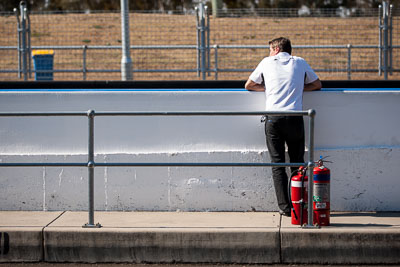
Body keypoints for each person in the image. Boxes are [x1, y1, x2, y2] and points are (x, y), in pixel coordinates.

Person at [245, 37, 322, 217]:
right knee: (298, 164)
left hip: (274, 119)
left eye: (270, 49)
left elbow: (249, 85)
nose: (269, 53)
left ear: (277, 49)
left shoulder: (266, 62)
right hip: (296, 118)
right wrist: (296, 88)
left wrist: (269, 88)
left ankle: (286, 208)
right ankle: (300, 204)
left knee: (277, 165)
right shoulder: (300, 62)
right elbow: (317, 84)